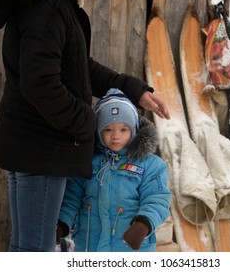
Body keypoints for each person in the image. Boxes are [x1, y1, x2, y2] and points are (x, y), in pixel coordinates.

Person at [0, 0, 170, 252]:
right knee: (36, 251)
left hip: (31, 145)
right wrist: (89, 121)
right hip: (42, 148)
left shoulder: (49, 5)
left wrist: (134, 90)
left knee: (25, 248)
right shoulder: (48, 6)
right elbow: (41, 84)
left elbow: (78, 67)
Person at [57, 89, 171, 252]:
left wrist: (143, 224)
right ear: (98, 131)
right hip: (90, 247)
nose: (115, 136)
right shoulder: (87, 162)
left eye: (123, 129)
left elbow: (157, 198)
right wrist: (62, 224)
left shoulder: (150, 165)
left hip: (130, 249)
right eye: (108, 129)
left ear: (134, 129)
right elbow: (72, 198)